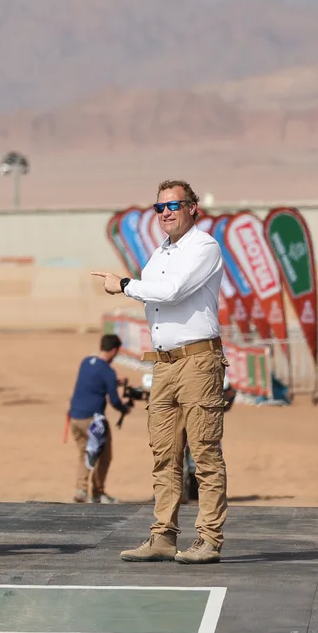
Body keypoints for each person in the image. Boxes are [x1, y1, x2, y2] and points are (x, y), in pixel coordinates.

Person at [94, 178, 227, 565]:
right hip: (164, 364)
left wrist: (123, 284)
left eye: (173, 205)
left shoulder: (204, 247)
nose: (165, 213)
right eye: (159, 207)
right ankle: (163, 535)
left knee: (204, 452)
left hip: (197, 361)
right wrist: (133, 286)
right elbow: (153, 291)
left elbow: (171, 292)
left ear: (192, 208)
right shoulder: (160, 253)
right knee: (164, 454)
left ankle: (209, 539)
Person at [67, 333, 131, 504]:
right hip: (93, 422)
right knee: (104, 456)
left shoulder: (86, 362)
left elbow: (93, 382)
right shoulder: (108, 371)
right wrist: (125, 409)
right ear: (114, 350)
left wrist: (114, 382)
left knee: (85, 453)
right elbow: (114, 401)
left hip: (75, 418)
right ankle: (97, 492)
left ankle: (81, 490)